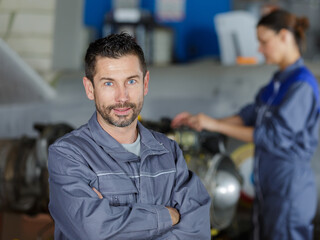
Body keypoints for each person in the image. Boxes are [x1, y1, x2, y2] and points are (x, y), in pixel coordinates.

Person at [172, 9, 320, 240]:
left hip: (288, 189)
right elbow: (249, 115)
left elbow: (271, 136)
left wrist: (217, 126)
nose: (259, 49)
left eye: (263, 42)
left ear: (284, 36)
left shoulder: (301, 86)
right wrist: (203, 122)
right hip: (269, 188)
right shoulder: (277, 82)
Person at [48, 33, 211, 240]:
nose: (122, 97)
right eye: (109, 83)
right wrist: (168, 215)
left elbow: (197, 230)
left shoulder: (168, 152)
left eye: (131, 81)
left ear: (145, 83)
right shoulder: (69, 155)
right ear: (90, 88)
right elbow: (93, 231)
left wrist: (117, 221)